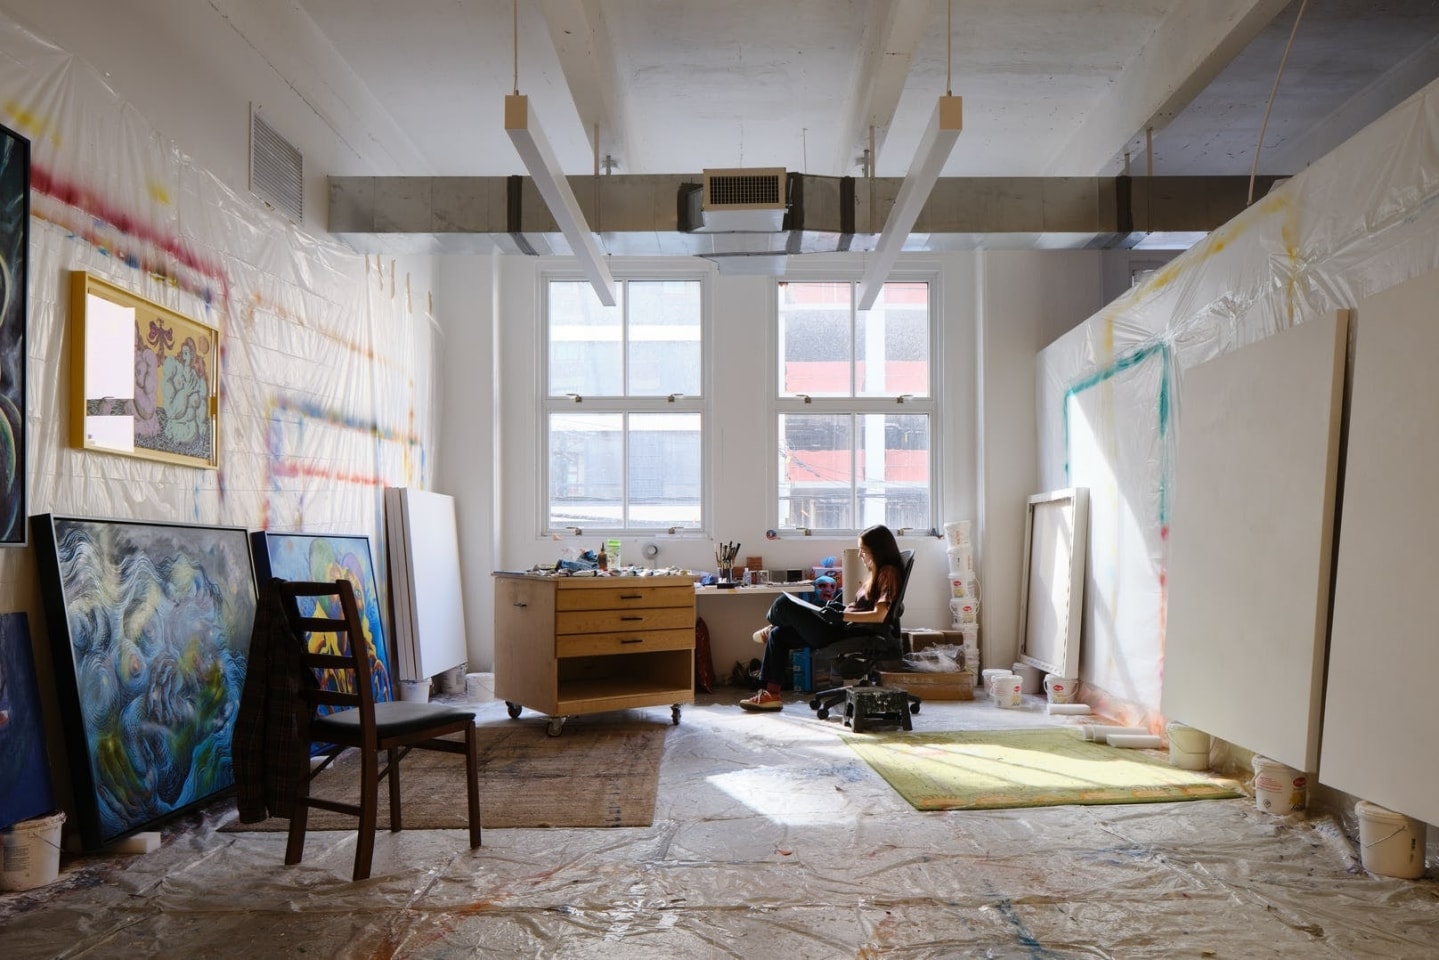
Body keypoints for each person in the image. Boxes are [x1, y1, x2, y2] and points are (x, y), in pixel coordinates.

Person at [740, 524, 905, 712]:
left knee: (784, 604)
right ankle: (771, 696)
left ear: (878, 551)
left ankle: (770, 625)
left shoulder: (888, 573)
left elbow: (879, 615)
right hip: (841, 627)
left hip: (846, 633)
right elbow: (863, 609)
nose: (860, 555)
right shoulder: (875, 574)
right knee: (779, 636)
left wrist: (841, 615)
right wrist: (840, 609)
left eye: (864, 551)